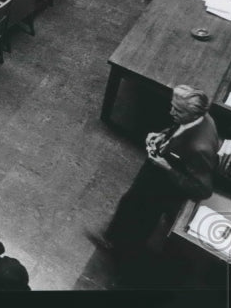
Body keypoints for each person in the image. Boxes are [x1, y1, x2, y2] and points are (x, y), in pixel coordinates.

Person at [90, 85, 220, 256]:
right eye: (172, 105)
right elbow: (181, 130)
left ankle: (119, 248)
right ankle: (114, 237)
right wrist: (163, 135)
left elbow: (203, 190)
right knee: (130, 203)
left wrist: (167, 167)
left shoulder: (199, 148)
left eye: (178, 111)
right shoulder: (201, 117)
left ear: (194, 114)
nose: (171, 112)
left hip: (164, 185)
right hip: (160, 166)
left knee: (141, 214)